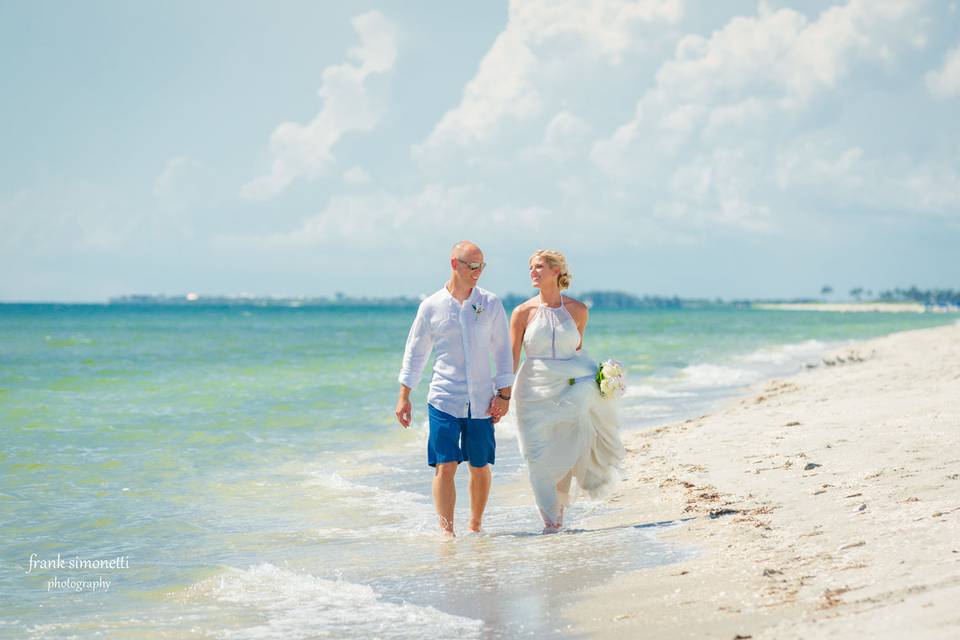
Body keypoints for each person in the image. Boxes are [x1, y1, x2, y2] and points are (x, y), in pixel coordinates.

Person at [396, 241, 513, 536]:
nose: (477, 272)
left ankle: (475, 525)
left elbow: (502, 352)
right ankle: (447, 532)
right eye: (472, 266)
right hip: (443, 398)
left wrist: (504, 394)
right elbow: (415, 352)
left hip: (482, 400)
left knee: (479, 465)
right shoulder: (431, 306)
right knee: (445, 465)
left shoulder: (491, 303)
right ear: (454, 264)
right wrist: (404, 396)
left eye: (481, 266)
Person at [510, 249, 626, 532]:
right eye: (530, 268)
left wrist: (603, 379)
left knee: (563, 449)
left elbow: (576, 351)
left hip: (568, 389)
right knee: (535, 456)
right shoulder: (522, 312)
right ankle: (550, 520)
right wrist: (500, 396)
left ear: (555, 270)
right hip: (531, 391)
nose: (532, 273)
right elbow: (510, 360)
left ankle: (555, 520)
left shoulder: (577, 310)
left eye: (538, 267)